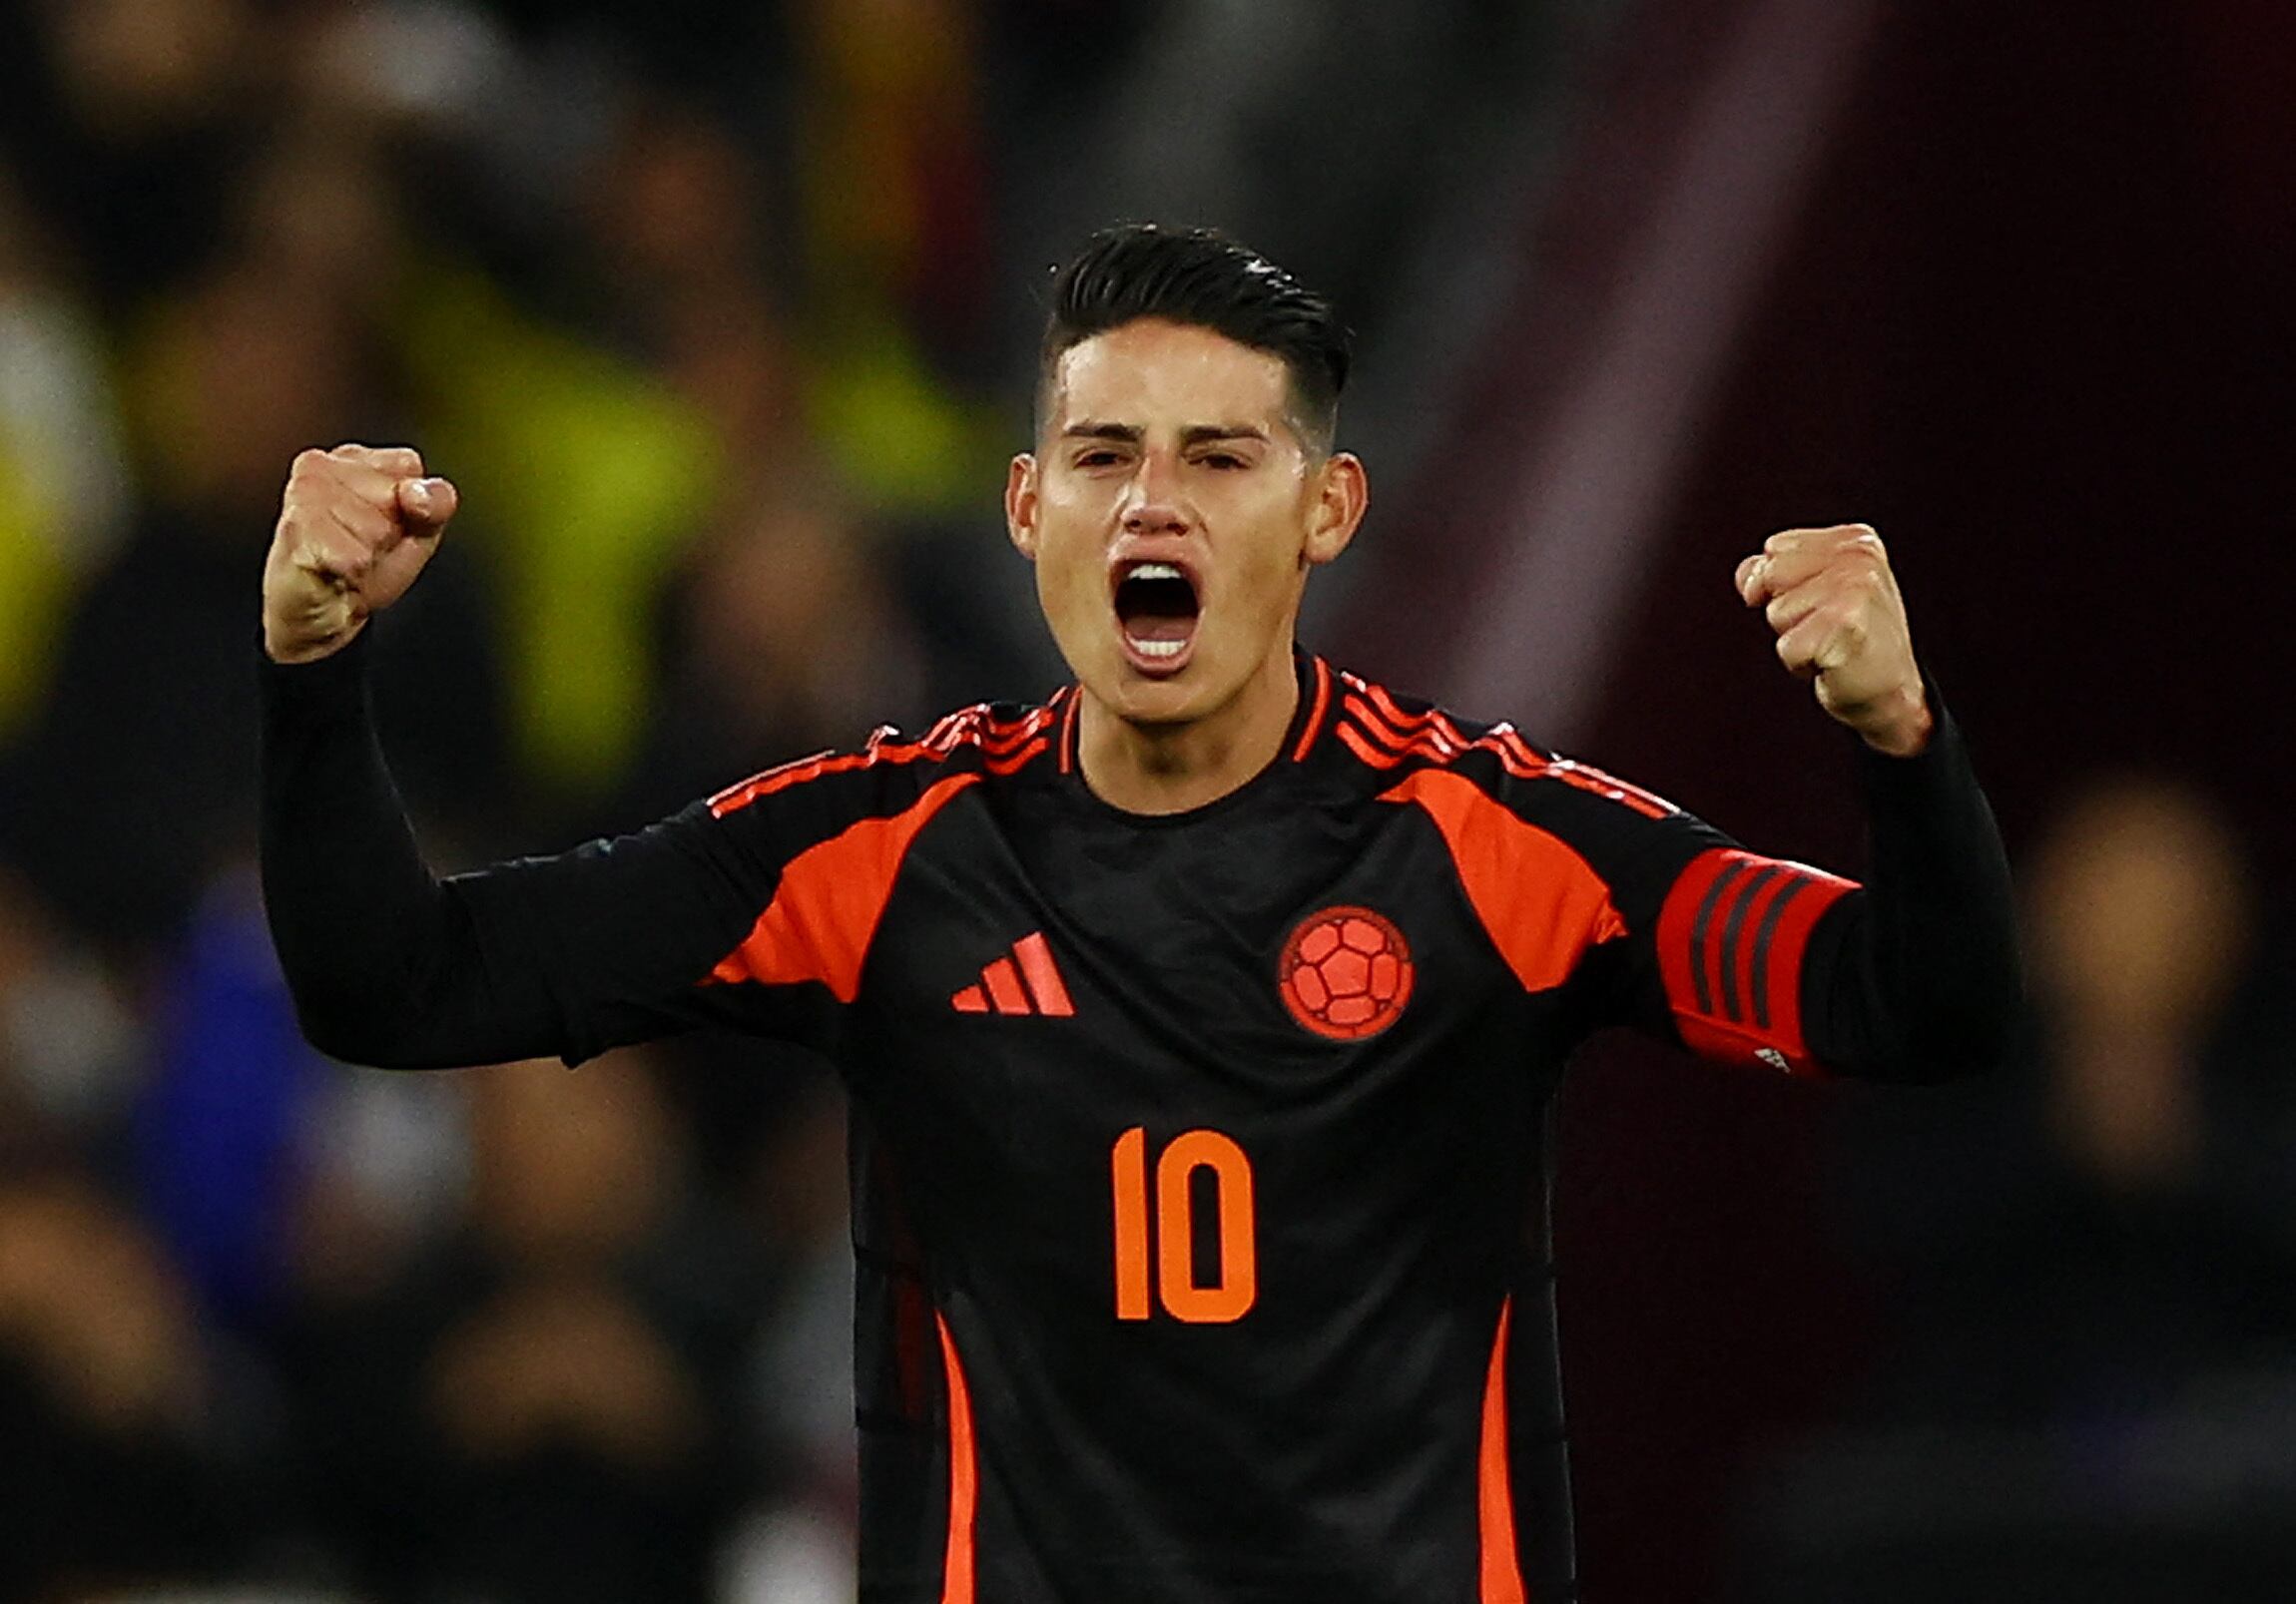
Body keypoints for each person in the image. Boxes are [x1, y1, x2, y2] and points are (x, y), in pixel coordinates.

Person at [258, 225, 2018, 1603]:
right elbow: (402, 987)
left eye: (1220, 458)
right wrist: (315, 672)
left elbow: (1912, 1002)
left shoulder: (1498, 846)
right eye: (1103, 454)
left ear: (1328, 510)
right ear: (1030, 509)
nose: (1153, 502)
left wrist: (1904, 743)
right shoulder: (878, 853)